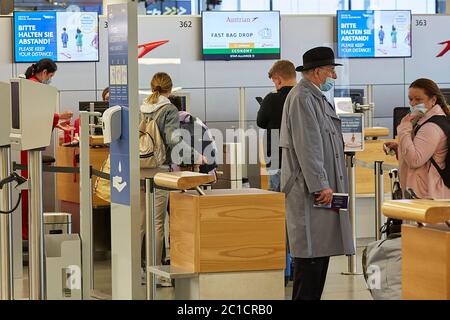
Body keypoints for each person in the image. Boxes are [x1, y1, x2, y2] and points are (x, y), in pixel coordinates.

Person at [279, 46, 355, 300]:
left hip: (322, 191)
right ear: (317, 72)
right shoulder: (302, 97)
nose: (334, 76)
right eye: (331, 71)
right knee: (310, 260)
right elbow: (307, 144)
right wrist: (320, 185)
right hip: (311, 192)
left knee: (318, 259)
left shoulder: (315, 97)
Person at [139, 72, 203, 286]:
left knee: (139, 223)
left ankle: (136, 270)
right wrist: (196, 156)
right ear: (170, 89)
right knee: (157, 222)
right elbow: (174, 140)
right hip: (158, 169)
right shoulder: (169, 109)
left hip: (139, 168)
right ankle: (156, 274)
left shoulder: (142, 106)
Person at [21, 58, 73, 241]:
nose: (50, 79)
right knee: (27, 190)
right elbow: (36, 113)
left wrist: (58, 123)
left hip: (28, 143)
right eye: (50, 76)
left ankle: (27, 230)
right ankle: (26, 231)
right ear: (44, 73)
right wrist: (59, 117)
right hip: (27, 146)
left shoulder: (29, 85)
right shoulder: (33, 87)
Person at [384, 78, 450, 199]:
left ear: (433, 100)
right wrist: (400, 149)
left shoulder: (431, 126)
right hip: (425, 191)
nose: (413, 103)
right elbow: (424, 153)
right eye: (410, 99)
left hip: (427, 194)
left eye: (418, 99)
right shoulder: (426, 121)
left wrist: (404, 127)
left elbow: (415, 160)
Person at [257, 60, 297, 192]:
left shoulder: (271, 99)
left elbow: (261, 122)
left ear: (279, 79)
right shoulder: (302, 97)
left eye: (274, 81)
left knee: (276, 198)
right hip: (298, 158)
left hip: (275, 156)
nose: (275, 85)